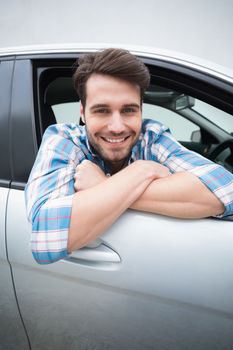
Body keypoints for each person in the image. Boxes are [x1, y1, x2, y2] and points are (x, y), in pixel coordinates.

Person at [25, 48, 233, 264]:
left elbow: (227, 189)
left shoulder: (150, 136)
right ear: (82, 112)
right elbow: (45, 237)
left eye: (128, 110)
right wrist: (143, 171)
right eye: (102, 110)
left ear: (141, 111)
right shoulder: (63, 140)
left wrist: (106, 184)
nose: (117, 127)